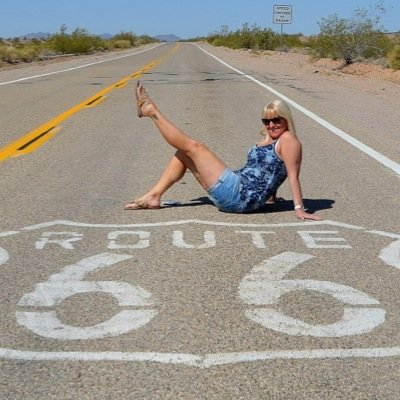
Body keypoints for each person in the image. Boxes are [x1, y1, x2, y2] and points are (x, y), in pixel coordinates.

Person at [125, 81, 321, 221]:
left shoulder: (289, 140)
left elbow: (292, 175)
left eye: (276, 120)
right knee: (184, 153)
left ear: (285, 119)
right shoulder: (273, 138)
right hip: (237, 193)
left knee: (195, 147)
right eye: (267, 121)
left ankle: (152, 111)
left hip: (240, 195)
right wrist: (271, 195)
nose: (271, 125)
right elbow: (270, 171)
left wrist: (299, 209)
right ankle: (154, 196)